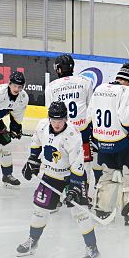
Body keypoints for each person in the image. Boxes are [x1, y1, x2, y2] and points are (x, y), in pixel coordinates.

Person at [16, 101, 102, 258]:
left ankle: (93, 250)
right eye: (53, 120)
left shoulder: (73, 135)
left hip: (71, 177)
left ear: (66, 119)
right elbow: (36, 143)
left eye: (60, 120)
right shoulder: (42, 126)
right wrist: (32, 160)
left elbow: (78, 164)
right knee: (39, 210)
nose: (56, 124)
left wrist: (75, 187)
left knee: (80, 213)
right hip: (49, 176)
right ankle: (33, 241)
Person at [89, 64, 129, 226]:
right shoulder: (127, 91)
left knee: (107, 176)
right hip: (123, 144)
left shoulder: (100, 88)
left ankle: (102, 210)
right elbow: (128, 119)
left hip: (103, 143)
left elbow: (90, 116)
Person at [44, 54, 99, 191]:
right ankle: (83, 192)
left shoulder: (52, 86)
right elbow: (90, 107)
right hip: (83, 130)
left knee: (62, 161)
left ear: (58, 69)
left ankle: (61, 191)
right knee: (85, 162)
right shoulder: (85, 81)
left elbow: (49, 112)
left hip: (63, 131)